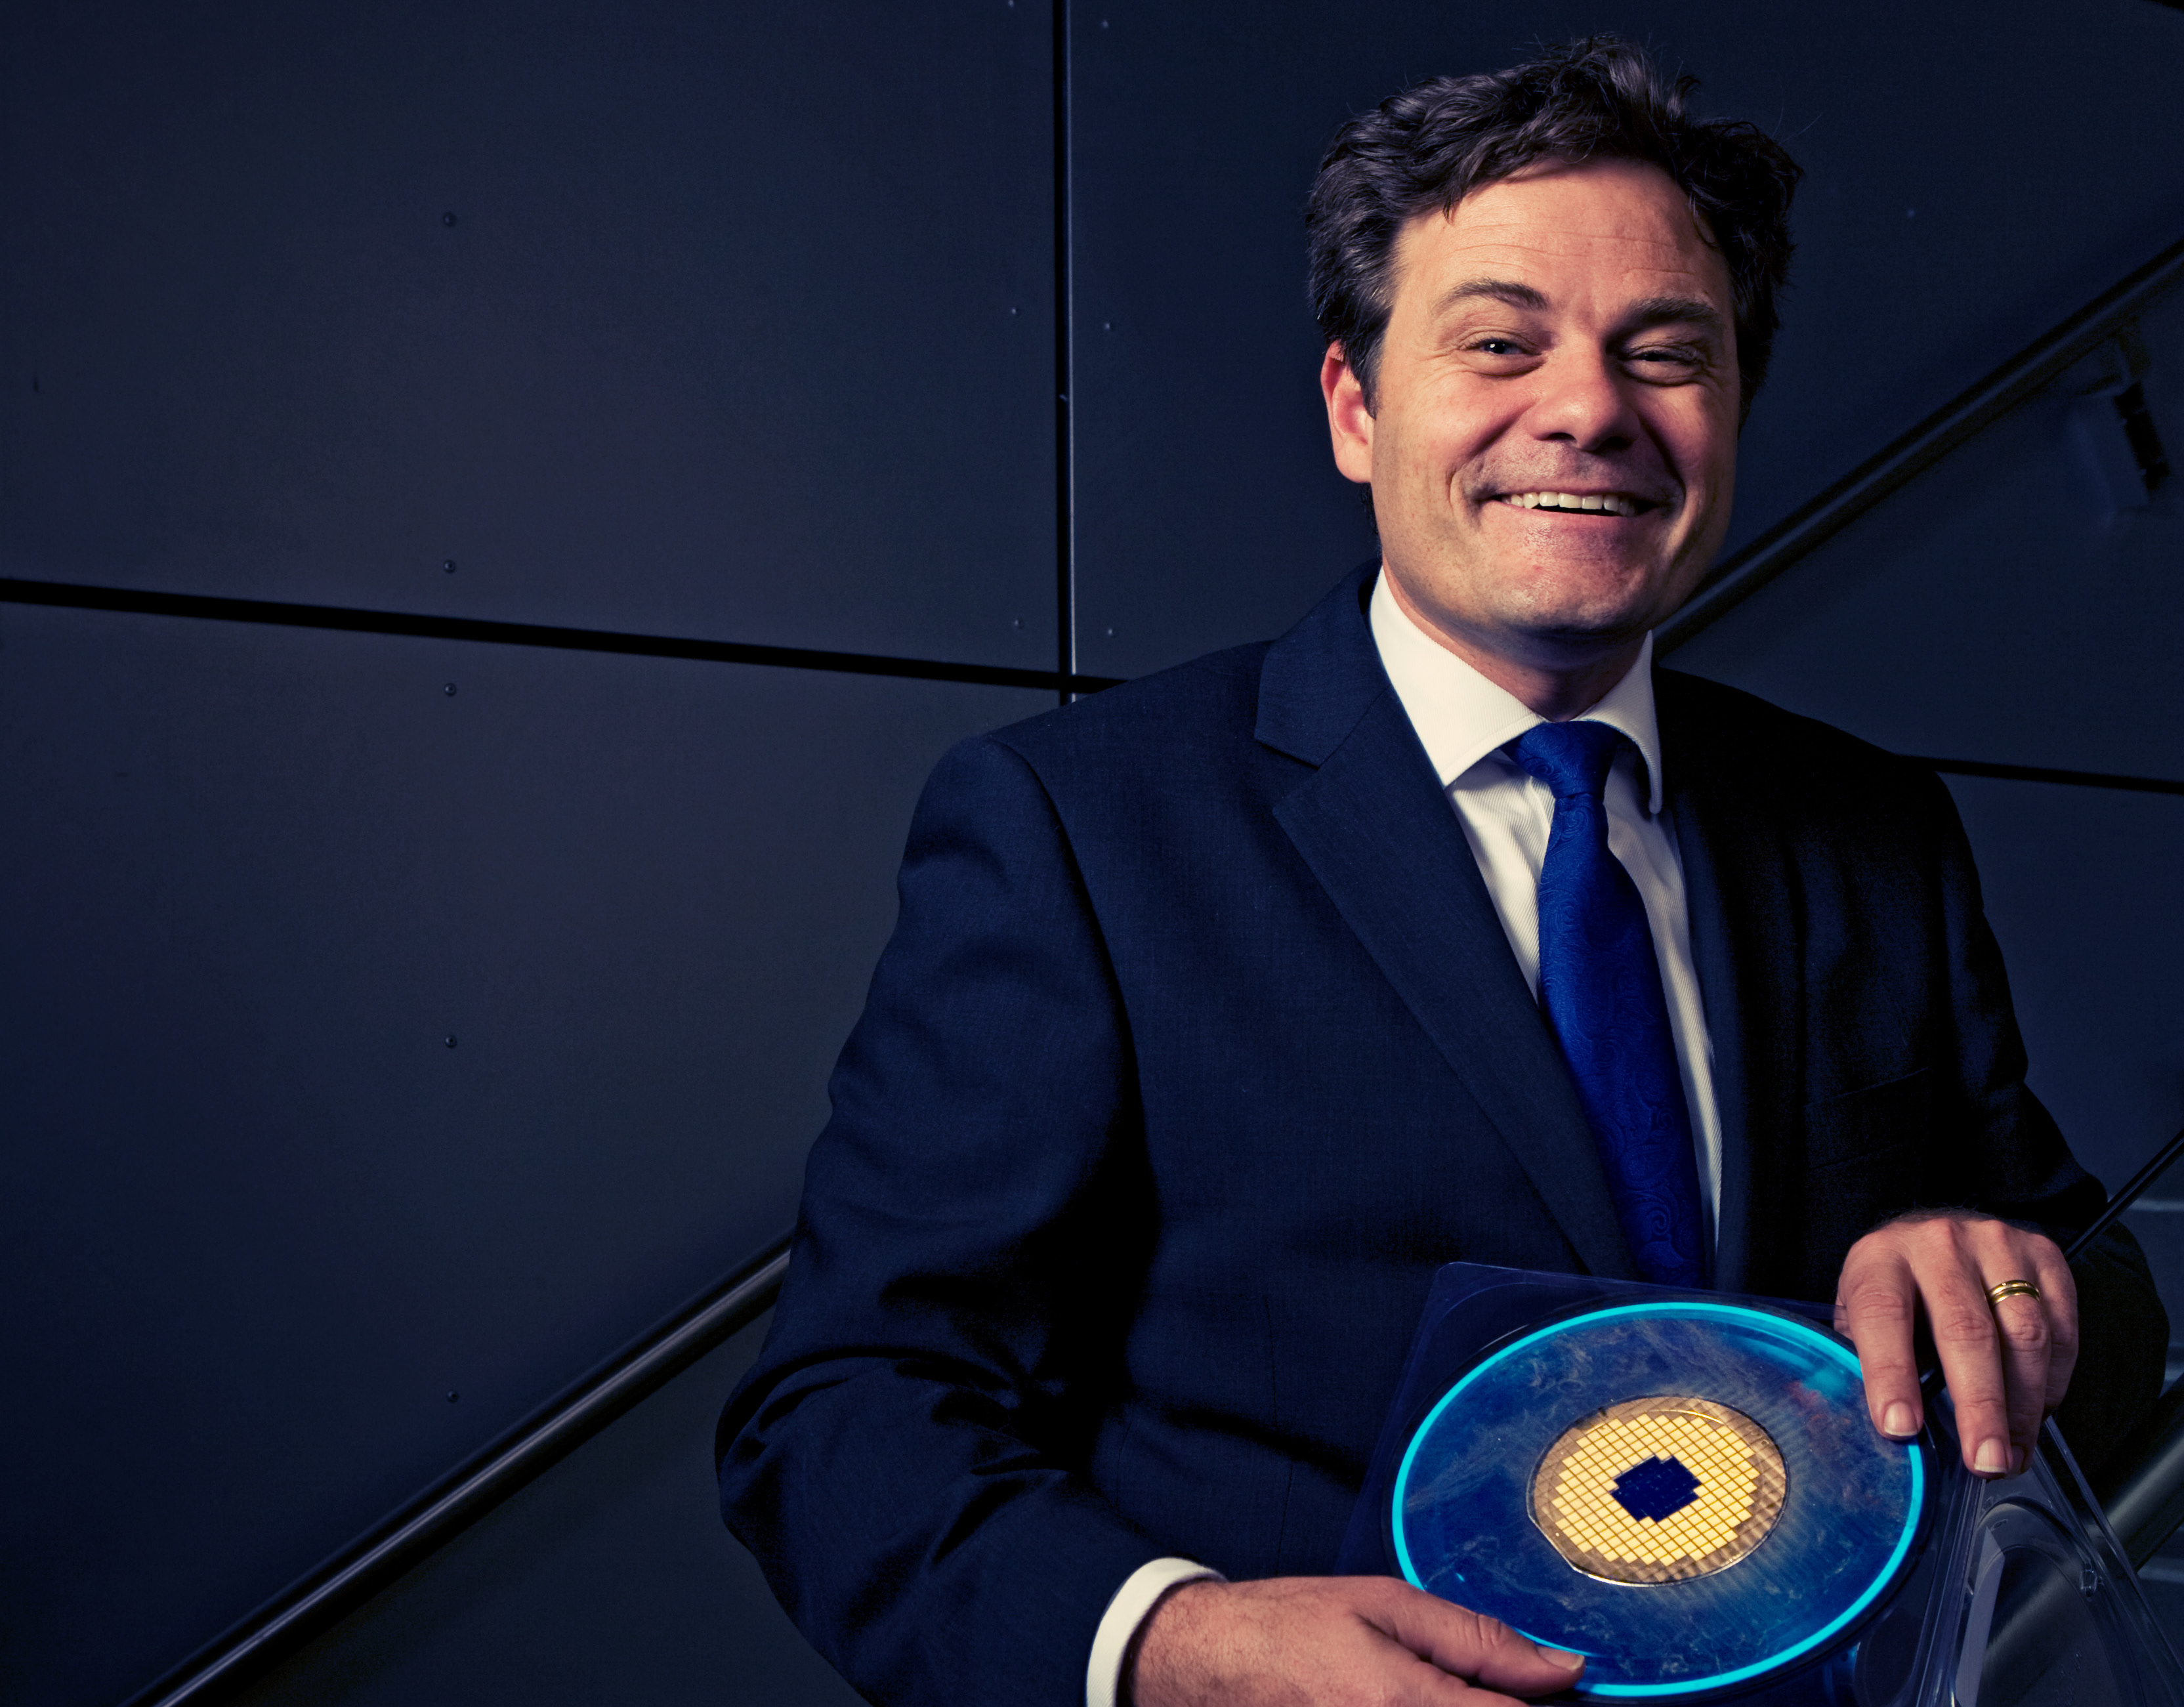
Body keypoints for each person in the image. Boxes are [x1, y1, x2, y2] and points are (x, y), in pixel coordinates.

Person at [717, 38, 2164, 1707]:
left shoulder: (1869, 830)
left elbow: (2091, 1290)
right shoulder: (1081, 827)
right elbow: (845, 1407)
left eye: (1664, 352)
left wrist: (2012, 1288)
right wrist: (1179, 1645)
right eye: (1498, 342)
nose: (1589, 409)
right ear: (1355, 407)